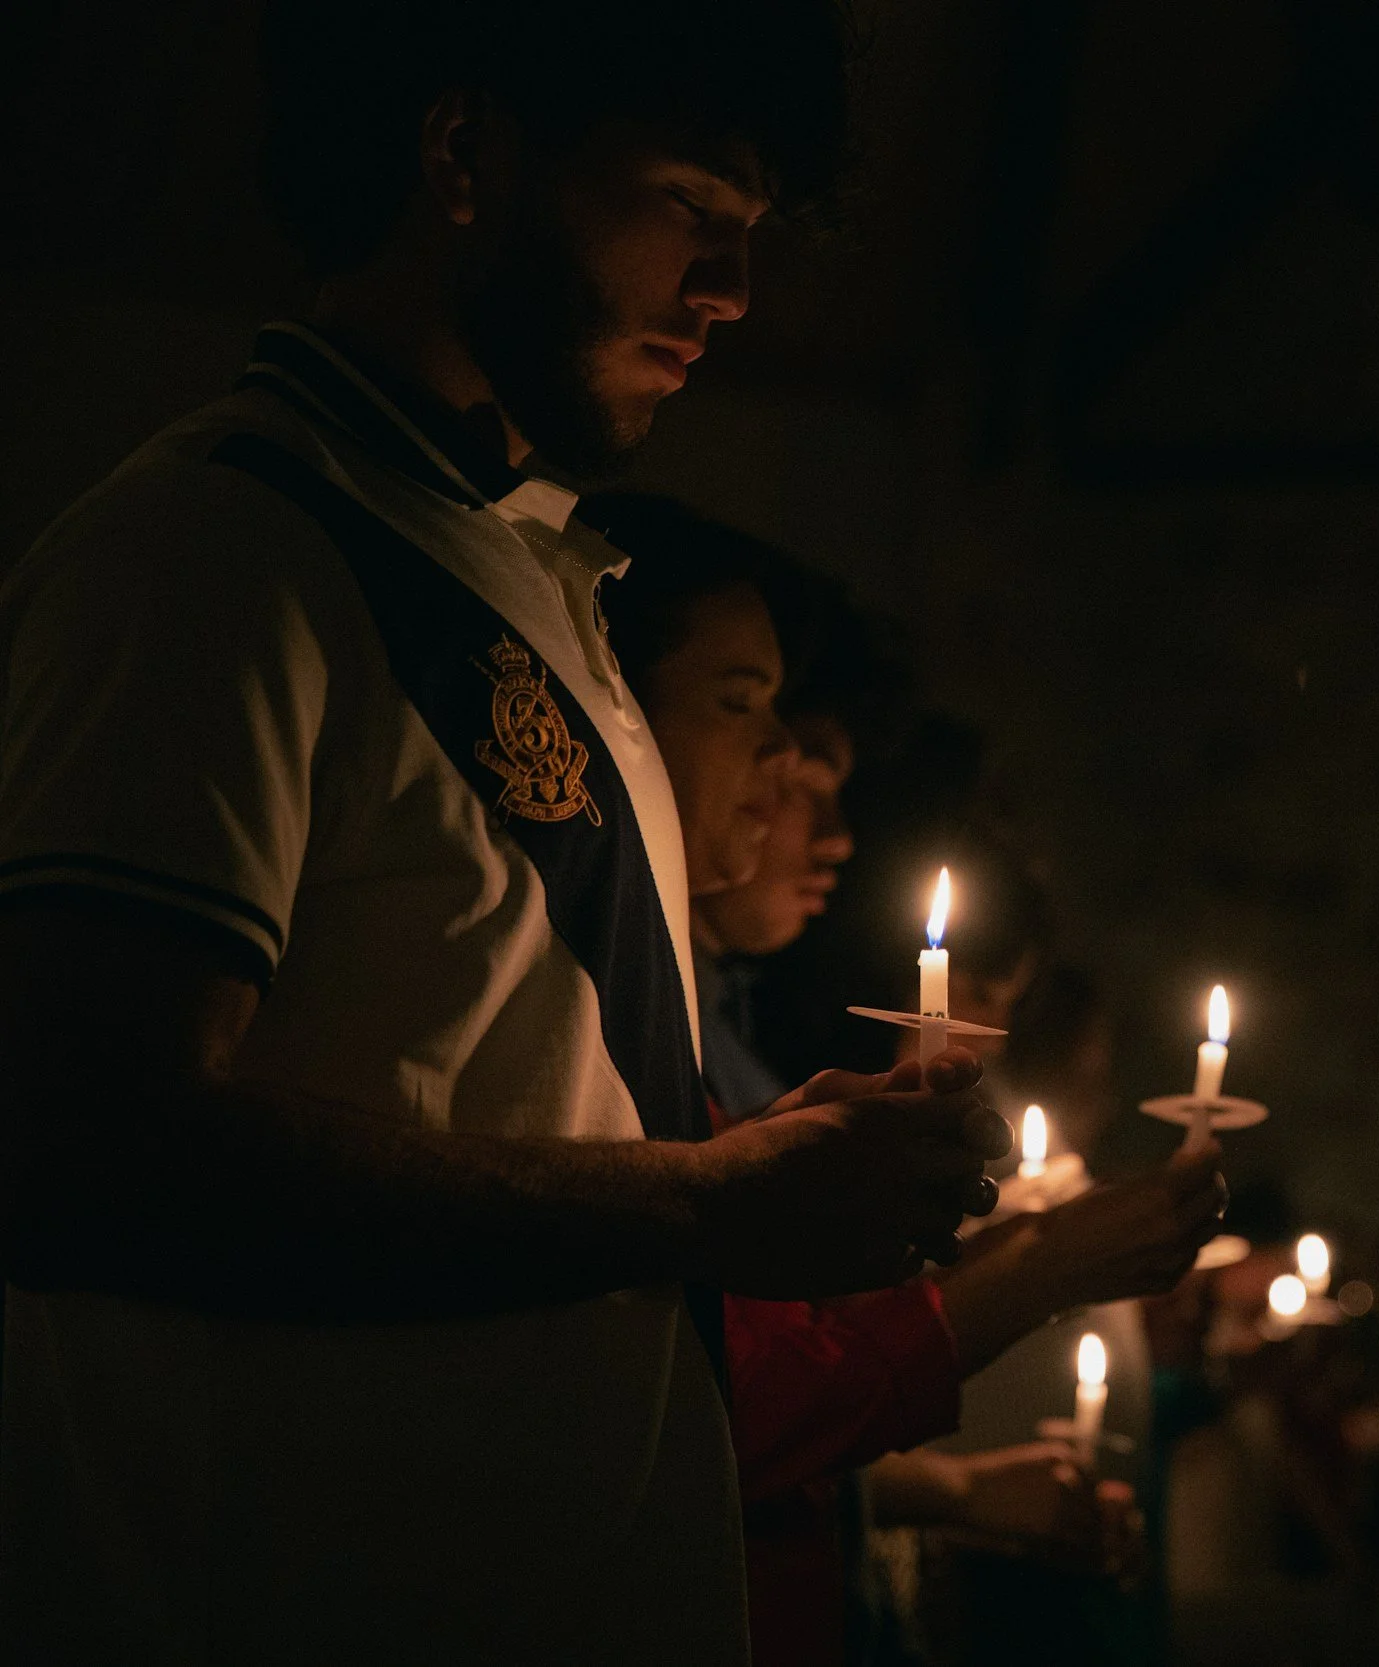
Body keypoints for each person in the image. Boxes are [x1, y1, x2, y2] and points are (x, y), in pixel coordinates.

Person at [0, 4, 1011, 1660]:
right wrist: (697, 1202)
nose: (731, 294)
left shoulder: (523, 580)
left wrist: (769, 1167)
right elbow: (74, 1145)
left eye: (756, 235)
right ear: (466, 153)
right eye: (690, 204)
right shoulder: (212, 554)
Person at [595, 500, 1226, 1662]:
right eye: (747, 712)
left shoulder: (684, 1044)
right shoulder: (598, 1034)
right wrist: (1041, 1262)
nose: (785, 770)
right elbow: (717, 1408)